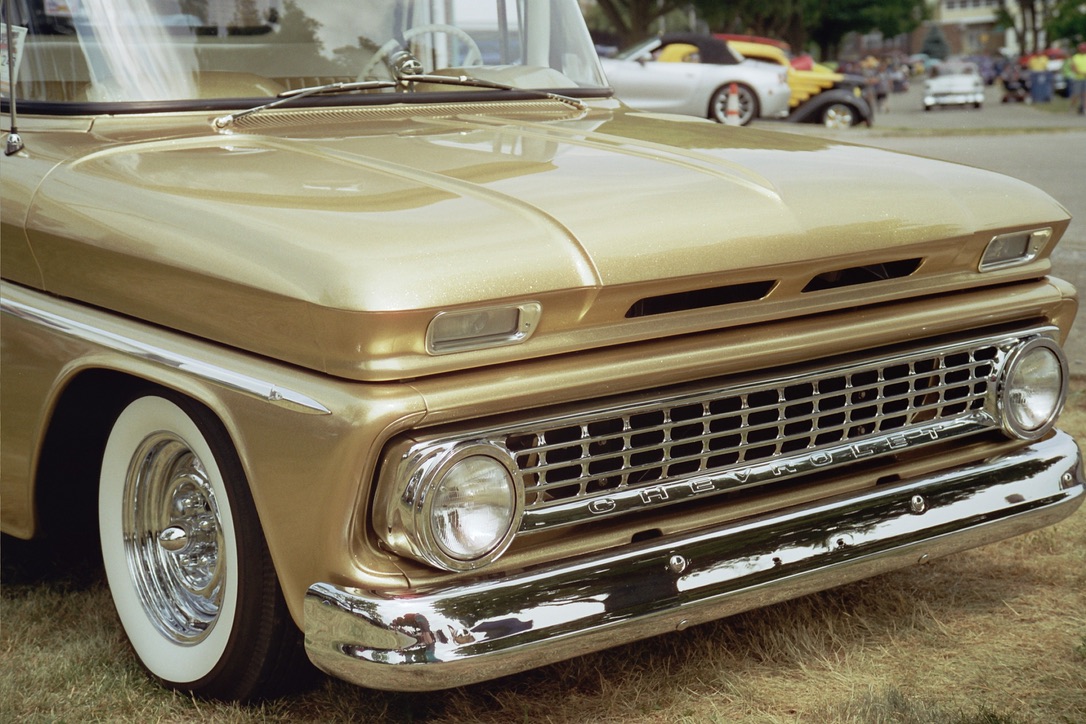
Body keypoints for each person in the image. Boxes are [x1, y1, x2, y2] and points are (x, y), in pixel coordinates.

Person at [1066, 43, 1086, 115]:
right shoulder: (1075, 57)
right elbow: (1073, 68)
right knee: (1076, 94)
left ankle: (1083, 108)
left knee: (1084, 94)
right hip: (1078, 78)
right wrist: (1081, 72)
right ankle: (1071, 108)